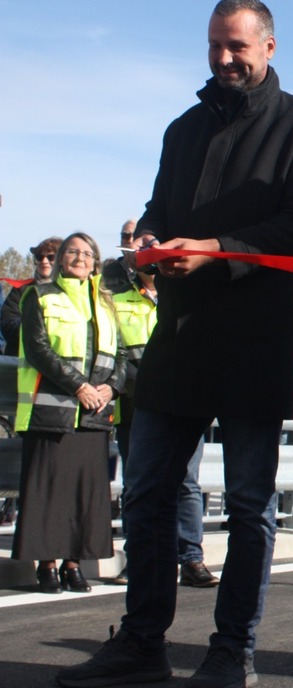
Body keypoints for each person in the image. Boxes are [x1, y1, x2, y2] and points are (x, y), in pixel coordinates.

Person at [58, 0, 293, 688]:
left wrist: (213, 250)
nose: (223, 58)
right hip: (179, 338)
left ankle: (231, 652)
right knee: (146, 493)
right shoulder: (183, 128)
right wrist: (153, 237)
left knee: (248, 507)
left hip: (255, 339)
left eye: (237, 46)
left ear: (269, 46)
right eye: (215, 44)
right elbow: (159, 205)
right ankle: (142, 641)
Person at [13, 232, 125, 594]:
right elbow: (37, 348)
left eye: (87, 253)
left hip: (94, 415)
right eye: (73, 251)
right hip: (51, 412)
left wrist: (113, 387)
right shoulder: (39, 296)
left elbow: (121, 355)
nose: (80, 257)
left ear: (95, 262)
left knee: (82, 494)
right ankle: (46, 565)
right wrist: (79, 387)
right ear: (61, 258)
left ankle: (73, 563)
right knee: (48, 492)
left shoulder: (106, 303)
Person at [109, 262, 219, 589]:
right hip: (137, 401)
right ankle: (139, 560)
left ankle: (191, 558)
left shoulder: (190, 290)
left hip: (184, 395)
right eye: (137, 243)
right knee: (138, 484)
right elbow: (112, 349)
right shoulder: (116, 298)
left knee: (187, 481)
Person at [1, 237, 62, 356]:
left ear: (62, 260)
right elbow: (7, 324)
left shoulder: (70, 291)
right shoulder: (20, 289)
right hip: (21, 360)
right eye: (39, 257)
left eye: (51, 257)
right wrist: (37, 327)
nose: (44, 261)